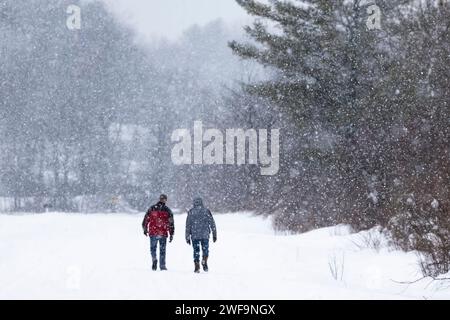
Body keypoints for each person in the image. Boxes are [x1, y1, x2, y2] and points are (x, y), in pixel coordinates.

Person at [142, 194, 175, 271]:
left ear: (159, 199)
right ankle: (162, 266)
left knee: (153, 248)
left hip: (153, 232)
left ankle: (154, 259)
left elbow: (146, 220)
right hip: (163, 233)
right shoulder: (168, 210)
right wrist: (171, 233)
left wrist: (145, 229)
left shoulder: (152, 208)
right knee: (162, 250)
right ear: (165, 200)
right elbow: (171, 223)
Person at [185, 197, 217, 273]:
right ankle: (204, 260)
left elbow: (188, 225)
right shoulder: (206, 211)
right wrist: (214, 234)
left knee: (196, 250)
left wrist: (187, 237)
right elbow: (212, 223)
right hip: (205, 234)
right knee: (205, 249)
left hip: (194, 235)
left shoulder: (191, 212)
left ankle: (197, 266)